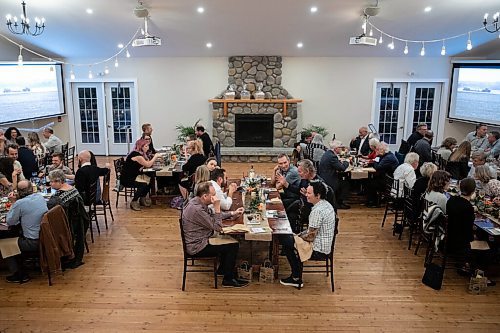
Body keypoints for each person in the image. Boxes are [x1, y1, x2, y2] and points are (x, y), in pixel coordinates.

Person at [181, 181, 247, 288]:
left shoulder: (197, 202)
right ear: (205, 196)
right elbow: (217, 227)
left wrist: (232, 213)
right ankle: (228, 279)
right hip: (198, 246)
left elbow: (213, 215)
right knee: (233, 245)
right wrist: (217, 207)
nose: (215, 197)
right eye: (213, 195)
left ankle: (222, 270)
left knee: (228, 240)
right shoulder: (197, 210)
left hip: (202, 238)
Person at [279, 182, 336, 288]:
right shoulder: (326, 205)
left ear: (318, 195)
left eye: (309, 193)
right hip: (324, 244)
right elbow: (311, 232)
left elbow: (310, 237)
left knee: (285, 241)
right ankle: (296, 275)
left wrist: (297, 237)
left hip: (318, 249)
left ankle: (296, 277)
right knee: (288, 237)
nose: (306, 195)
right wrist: (298, 235)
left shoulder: (317, 211)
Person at [4, 180, 48, 283]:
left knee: (4, 244)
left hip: (32, 242)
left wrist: (13, 203)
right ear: (32, 189)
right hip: (44, 236)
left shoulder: (19, 203)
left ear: (18, 192)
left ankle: (19, 274)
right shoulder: (39, 197)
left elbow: (10, 221)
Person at [47, 169, 88, 269]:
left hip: (68, 226)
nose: (50, 184)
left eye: (52, 182)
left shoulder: (59, 197)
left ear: (59, 181)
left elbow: (48, 208)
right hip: (78, 223)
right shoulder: (72, 189)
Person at [120, 138, 162, 211]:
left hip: (134, 175)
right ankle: (134, 201)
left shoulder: (141, 154)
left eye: (147, 146)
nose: (148, 147)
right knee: (144, 184)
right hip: (128, 178)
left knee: (151, 178)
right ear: (141, 147)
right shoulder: (137, 155)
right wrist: (155, 157)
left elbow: (146, 164)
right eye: (146, 146)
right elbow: (148, 165)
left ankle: (142, 198)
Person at [445, 178, 476, 264]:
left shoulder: (452, 200)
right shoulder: (468, 208)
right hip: (460, 242)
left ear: (459, 188)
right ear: (473, 191)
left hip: (449, 237)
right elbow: (468, 232)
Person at [318, 140, 350, 209]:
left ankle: (338, 201)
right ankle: (339, 202)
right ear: (336, 149)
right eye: (340, 148)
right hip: (329, 180)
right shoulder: (332, 156)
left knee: (343, 180)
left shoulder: (328, 153)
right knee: (346, 183)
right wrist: (347, 161)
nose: (341, 149)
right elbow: (342, 168)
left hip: (325, 176)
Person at [365, 143, 399, 207]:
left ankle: (374, 202)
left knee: (370, 183)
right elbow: (378, 164)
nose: (376, 151)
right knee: (369, 181)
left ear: (383, 150)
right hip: (385, 177)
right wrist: (369, 164)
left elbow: (377, 167)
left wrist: (376, 158)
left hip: (389, 181)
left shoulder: (388, 157)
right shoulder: (386, 155)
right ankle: (372, 200)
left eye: (378, 150)